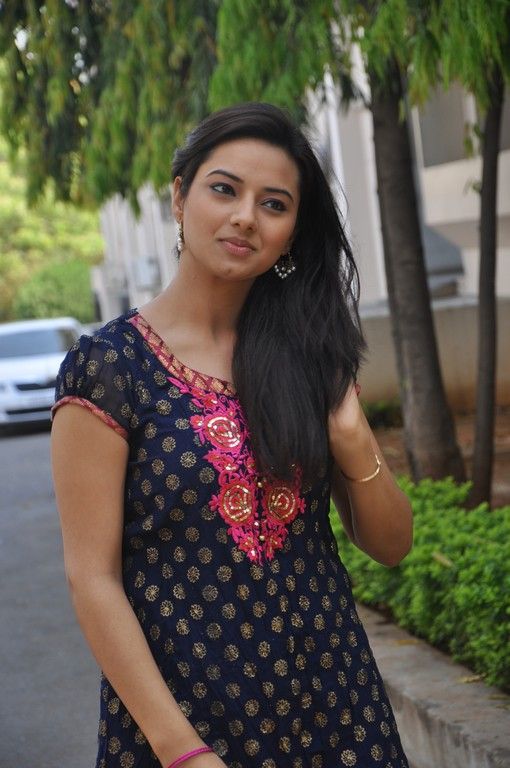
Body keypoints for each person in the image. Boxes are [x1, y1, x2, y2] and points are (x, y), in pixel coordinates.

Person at [51, 102, 413, 768]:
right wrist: (182, 750)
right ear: (179, 197)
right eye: (225, 189)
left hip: (339, 710)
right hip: (183, 722)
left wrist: (350, 437)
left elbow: (391, 545)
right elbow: (92, 579)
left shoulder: (310, 357)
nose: (246, 216)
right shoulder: (109, 368)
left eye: (274, 204)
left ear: (292, 233)